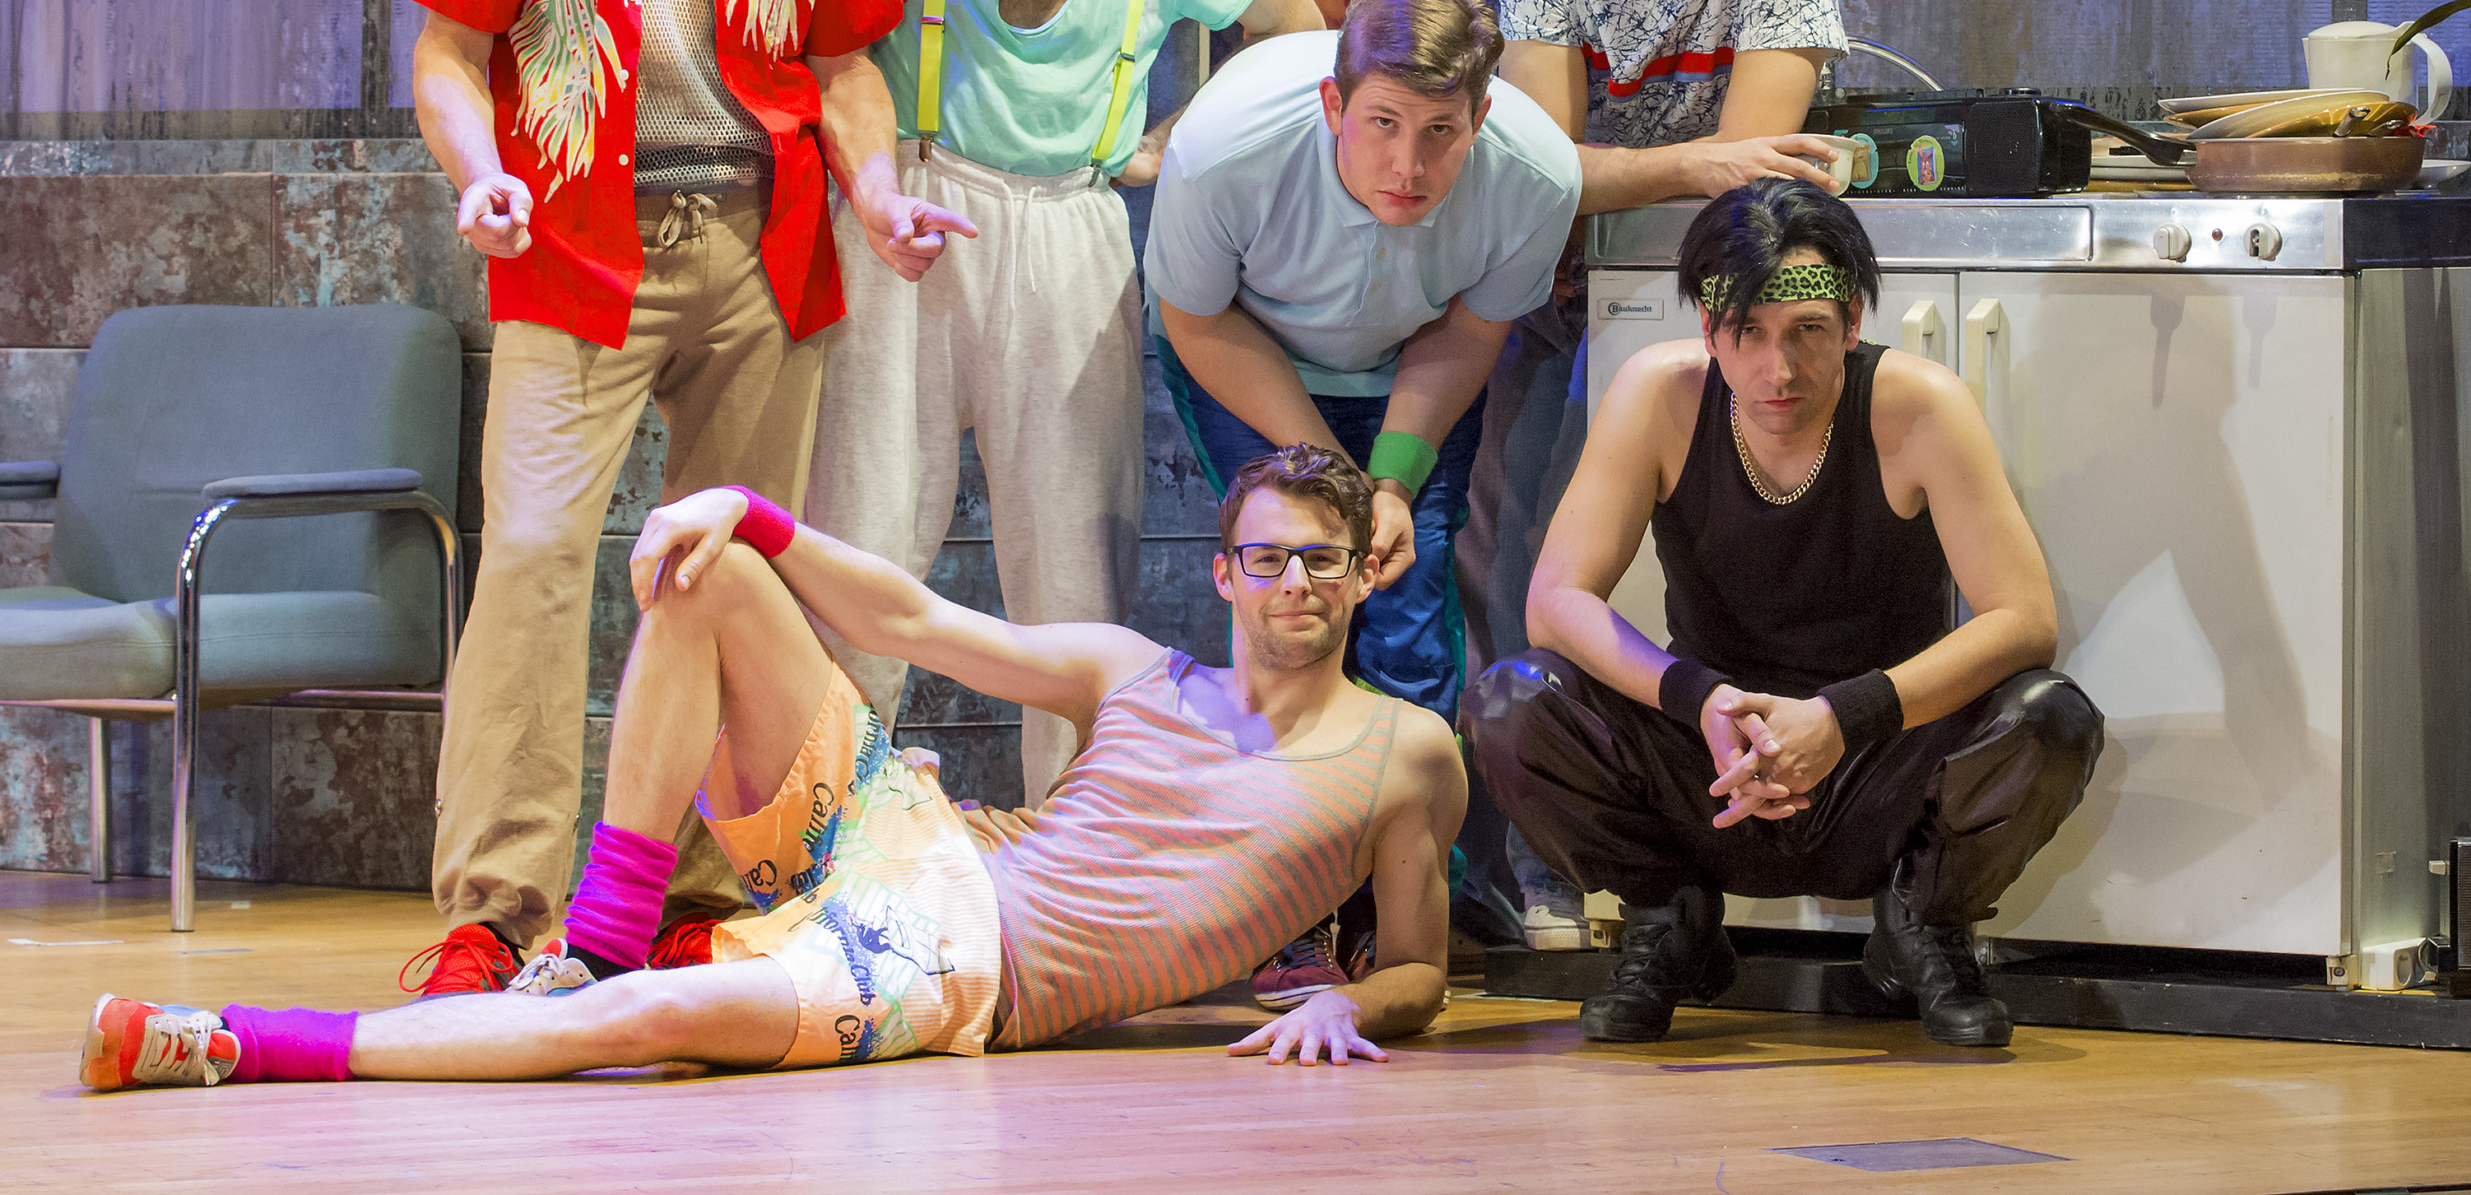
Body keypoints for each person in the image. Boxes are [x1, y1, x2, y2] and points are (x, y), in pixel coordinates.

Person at [79, 445, 1467, 1091]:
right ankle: (600, 935)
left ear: (1364, 574)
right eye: (1267, 557)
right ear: (1224, 573)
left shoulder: (1407, 753)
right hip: (913, 835)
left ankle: (226, 1041)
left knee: (642, 1031)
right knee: (717, 566)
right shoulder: (1134, 668)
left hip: (959, 970)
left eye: (1321, 560)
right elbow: (913, 620)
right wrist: (745, 506)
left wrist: (1354, 1003)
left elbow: (1419, 966)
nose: (1293, 582)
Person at [401, 0, 952, 997]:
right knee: (532, 560)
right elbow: (449, 50)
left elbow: (846, 67)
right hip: (573, 241)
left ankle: (697, 898)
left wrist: (879, 195)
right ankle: (494, 911)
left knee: (727, 576)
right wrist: (481, 173)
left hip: (762, 249)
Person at [807, 0, 1325, 800]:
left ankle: (1074, 851)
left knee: (1076, 574)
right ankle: (820, 849)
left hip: (1073, 226)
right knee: (859, 539)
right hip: (910, 203)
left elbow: (1298, 38)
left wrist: (1174, 145)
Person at [1463, 180, 2103, 1047]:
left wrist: (1842, 715)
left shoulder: (1919, 402)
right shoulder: (1657, 394)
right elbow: (1555, 601)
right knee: (1510, 701)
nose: (1780, 369)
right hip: (1711, 762)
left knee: (2051, 716)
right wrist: (1701, 698)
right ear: (1708, 329)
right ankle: (1669, 919)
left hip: (1879, 764)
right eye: (1748, 332)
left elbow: (2023, 619)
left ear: (1852, 319)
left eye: (1807, 330)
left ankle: (1920, 924)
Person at [1462, 0, 1849, 949]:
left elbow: (1757, 182)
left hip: (1718, 301)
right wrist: (1689, 163)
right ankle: (1546, 865)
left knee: (1717, 578)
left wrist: (1654, 175)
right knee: (1528, 573)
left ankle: (1729, 845)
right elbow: (1546, 174)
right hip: (1554, 289)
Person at [1144, 0, 1579, 1002]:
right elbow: (1197, 319)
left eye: (1440, 131)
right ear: (1334, 104)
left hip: (1413, 366)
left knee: (1408, 609)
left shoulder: (1535, 174)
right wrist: (1335, 482)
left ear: (1481, 114)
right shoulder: (1227, 145)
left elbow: (1470, 330)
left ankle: (1406, 901)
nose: (1409, 166)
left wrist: (1389, 483)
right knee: (1293, 600)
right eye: (1382, 123)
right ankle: (1289, 908)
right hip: (1249, 355)